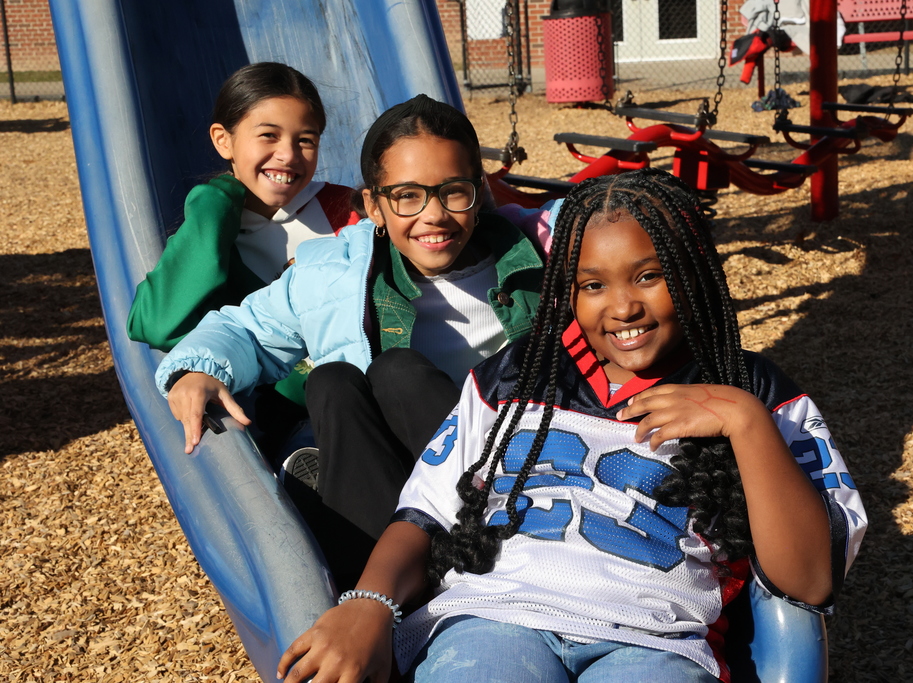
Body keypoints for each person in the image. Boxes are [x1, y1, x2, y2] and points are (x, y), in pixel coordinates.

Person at [276, 169, 867, 683]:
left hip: (655, 639)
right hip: (496, 615)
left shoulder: (756, 392)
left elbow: (809, 582)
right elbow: (424, 516)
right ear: (568, 291)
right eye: (592, 285)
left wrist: (746, 422)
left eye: (648, 275)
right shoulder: (514, 377)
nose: (622, 306)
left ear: (694, 273)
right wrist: (369, 602)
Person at [154, 94, 556, 588]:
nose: (433, 215)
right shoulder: (334, 272)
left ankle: (447, 556)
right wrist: (199, 368)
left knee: (398, 373)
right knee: (333, 382)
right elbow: (242, 327)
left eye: (453, 192)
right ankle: (375, 583)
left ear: (479, 192)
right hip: (393, 487)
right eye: (407, 196)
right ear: (374, 206)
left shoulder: (538, 252)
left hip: (499, 475)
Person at [127, 62, 360, 457]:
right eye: (268, 135)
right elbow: (155, 323)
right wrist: (215, 202)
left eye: (306, 140)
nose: (287, 155)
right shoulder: (218, 224)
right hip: (273, 411)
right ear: (223, 140)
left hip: (353, 393)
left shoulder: (345, 212)